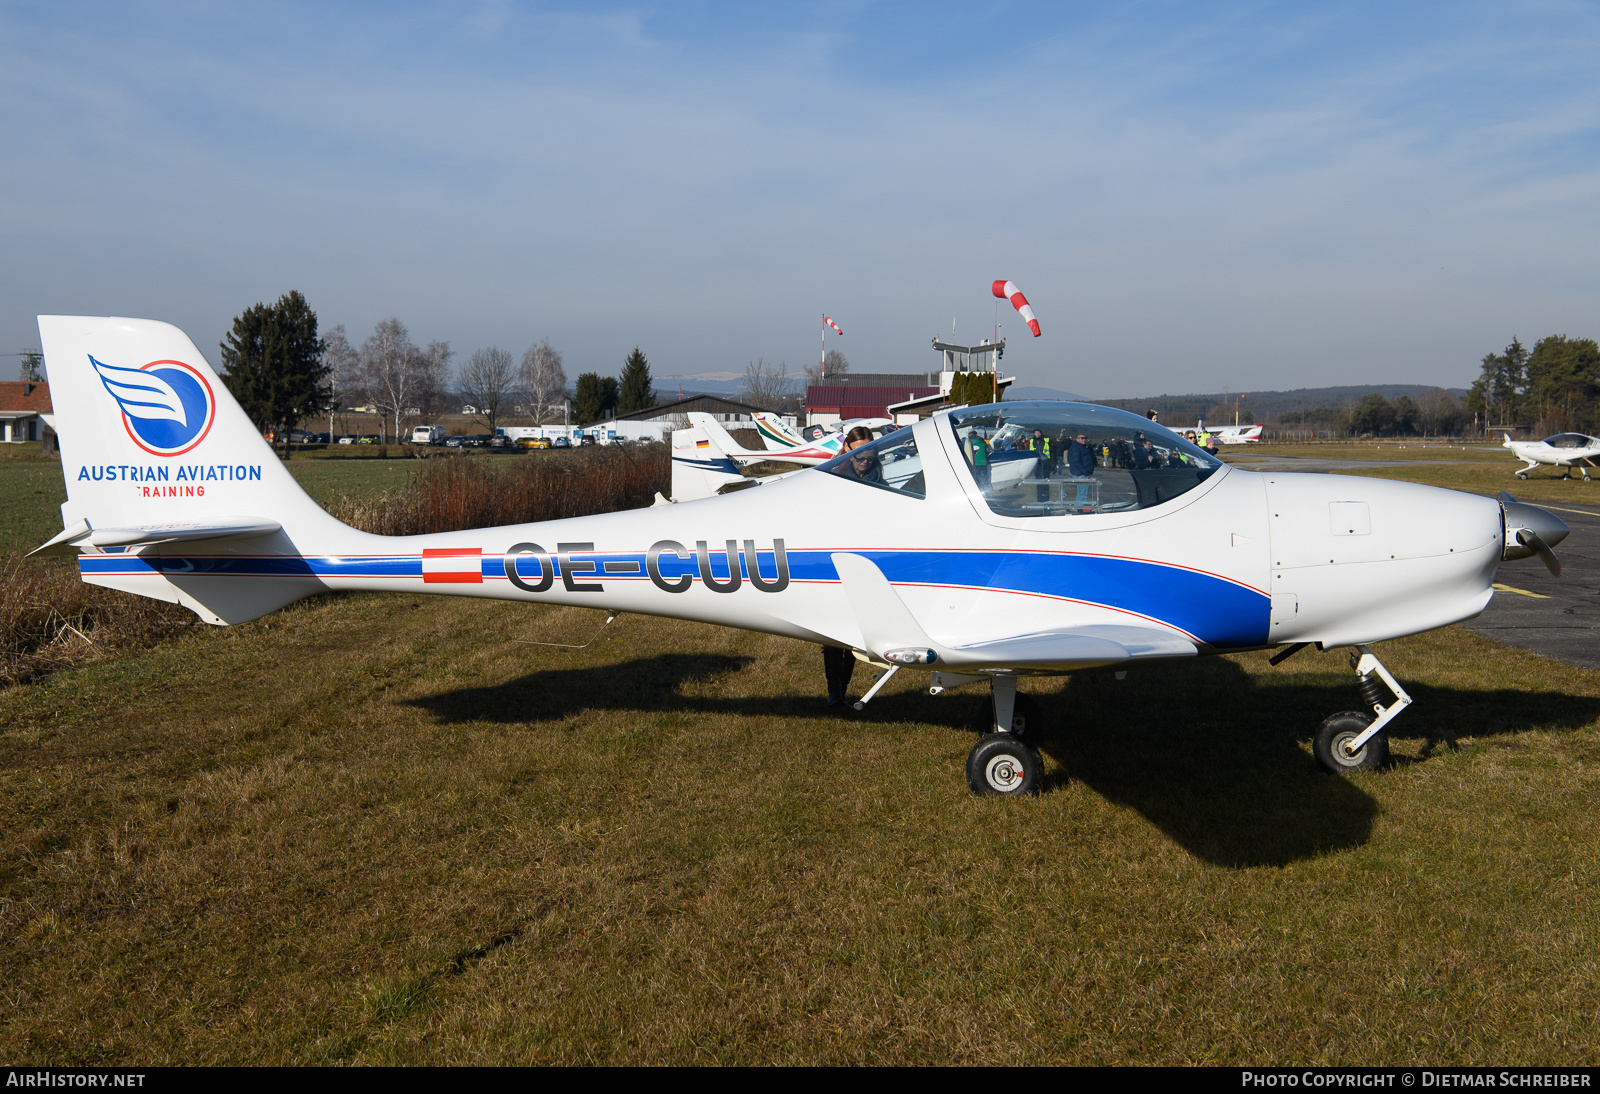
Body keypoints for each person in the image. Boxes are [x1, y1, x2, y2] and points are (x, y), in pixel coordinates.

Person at [1067, 431, 1097, 507]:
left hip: (1082, 473)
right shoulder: (1076, 448)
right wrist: (1086, 472)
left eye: (1085, 438)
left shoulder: (1083, 447)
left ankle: (1078, 508)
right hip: (1081, 474)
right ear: (1077, 439)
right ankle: (1080, 509)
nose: (1084, 439)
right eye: (1082, 438)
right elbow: (1076, 462)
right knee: (1083, 495)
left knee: (1082, 494)